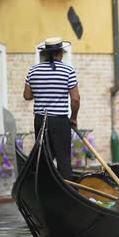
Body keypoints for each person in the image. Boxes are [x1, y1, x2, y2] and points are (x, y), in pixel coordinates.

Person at [23, 37, 79, 179]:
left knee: (43, 160)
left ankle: (45, 190)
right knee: (63, 160)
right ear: (60, 53)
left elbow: (27, 96)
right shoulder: (68, 71)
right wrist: (73, 118)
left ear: (46, 54)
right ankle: (66, 193)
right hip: (60, 122)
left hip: (40, 121)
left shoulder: (33, 70)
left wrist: (43, 91)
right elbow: (75, 99)